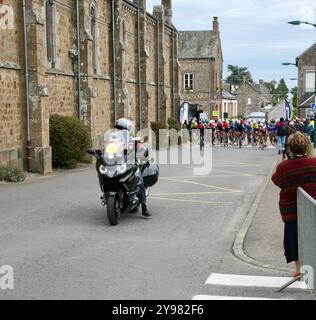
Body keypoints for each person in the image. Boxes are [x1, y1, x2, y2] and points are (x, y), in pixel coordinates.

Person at [272, 132, 316, 277]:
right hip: (313, 209)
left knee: (293, 240)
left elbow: (277, 181)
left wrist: (282, 161)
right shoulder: (314, 162)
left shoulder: (284, 166)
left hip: (292, 211)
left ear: (289, 148)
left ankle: (298, 270)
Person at [114, 118, 151, 217]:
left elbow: (142, 148)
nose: (120, 131)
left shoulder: (133, 141)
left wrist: (142, 152)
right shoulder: (113, 141)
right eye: (118, 129)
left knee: (140, 183)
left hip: (132, 166)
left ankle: (144, 206)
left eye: (122, 129)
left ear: (128, 130)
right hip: (117, 166)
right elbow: (107, 151)